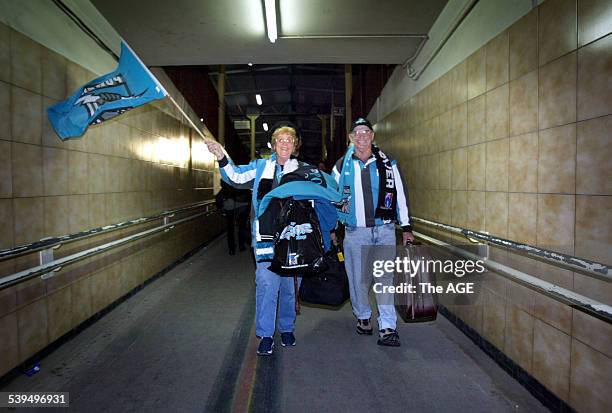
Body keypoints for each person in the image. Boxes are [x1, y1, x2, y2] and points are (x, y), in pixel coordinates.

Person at [206, 122, 315, 356]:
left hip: (294, 239)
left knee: (289, 287)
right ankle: (266, 334)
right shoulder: (260, 167)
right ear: (274, 145)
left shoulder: (305, 171)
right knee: (267, 284)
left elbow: (318, 200)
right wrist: (221, 156)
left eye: (289, 139)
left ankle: (286, 328)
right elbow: (234, 176)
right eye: (280, 139)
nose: (285, 143)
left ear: (295, 145)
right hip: (265, 239)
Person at [332, 117, 414, 347]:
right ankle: (363, 316)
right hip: (355, 232)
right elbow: (331, 196)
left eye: (365, 131)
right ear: (350, 138)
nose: (361, 136)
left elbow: (400, 196)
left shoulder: (388, 164)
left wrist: (406, 227)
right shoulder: (341, 166)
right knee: (358, 279)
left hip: (385, 230)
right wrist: (332, 228)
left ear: (372, 136)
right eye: (356, 132)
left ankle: (388, 326)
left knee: (385, 279)